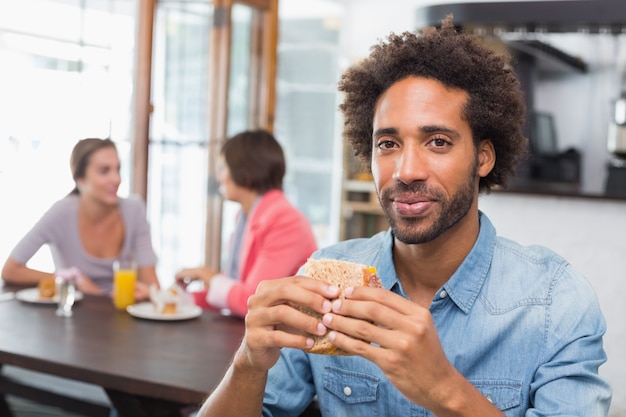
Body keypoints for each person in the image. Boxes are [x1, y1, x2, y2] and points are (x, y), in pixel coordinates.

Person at [196, 16, 612, 417]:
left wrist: (444, 390)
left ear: (483, 157)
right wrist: (248, 363)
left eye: (437, 141)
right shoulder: (324, 283)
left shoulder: (556, 304)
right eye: (388, 144)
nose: (406, 170)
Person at [175, 129, 317, 318]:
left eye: (223, 168)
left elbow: (254, 300)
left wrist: (206, 274)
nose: (219, 177)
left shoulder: (286, 221)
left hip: (286, 343)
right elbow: (232, 288)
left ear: (245, 172)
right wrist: (176, 300)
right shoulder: (245, 218)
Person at [1, 138, 159, 299]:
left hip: (120, 311)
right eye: (104, 171)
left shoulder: (134, 210)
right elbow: (11, 270)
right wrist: (70, 279)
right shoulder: (61, 213)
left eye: (117, 169)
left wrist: (149, 293)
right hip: (75, 316)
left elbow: (151, 284)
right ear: (79, 178)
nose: (116, 179)